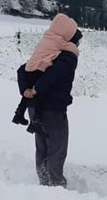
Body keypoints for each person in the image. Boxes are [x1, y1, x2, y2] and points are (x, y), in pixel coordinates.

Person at [16, 12, 81, 187]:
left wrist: (27, 91)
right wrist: (37, 89)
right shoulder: (66, 56)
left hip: (34, 108)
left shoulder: (43, 52)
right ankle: (56, 184)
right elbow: (54, 75)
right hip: (53, 109)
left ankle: (44, 182)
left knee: (42, 146)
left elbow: (22, 70)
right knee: (57, 147)